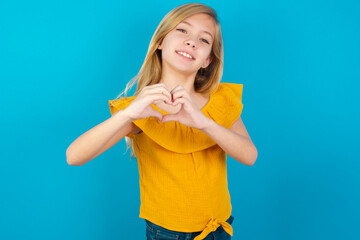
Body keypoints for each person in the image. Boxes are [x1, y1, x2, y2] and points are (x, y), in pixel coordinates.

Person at [66, 3, 257, 240]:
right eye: (182, 30)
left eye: (204, 40)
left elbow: (249, 156)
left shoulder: (220, 102)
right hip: (167, 234)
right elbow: (73, 157)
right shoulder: (141, 110)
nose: (191, 42)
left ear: (207, 60)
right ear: (160, 41)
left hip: (219, 229)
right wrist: (128, 114)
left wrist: (204, 123)